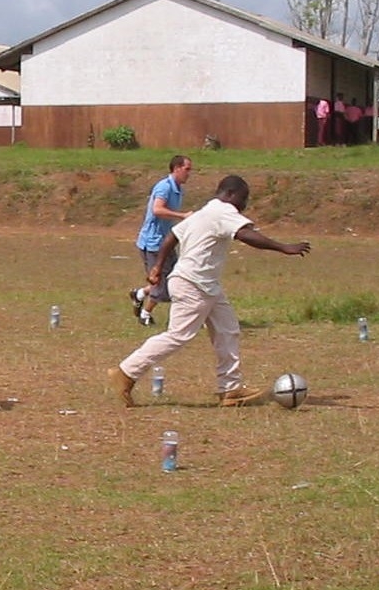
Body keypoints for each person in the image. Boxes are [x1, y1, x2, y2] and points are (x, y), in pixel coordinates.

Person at [108, 174, 312, 408]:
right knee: (177, 336)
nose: (244, 205)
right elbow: (245, 234)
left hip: (206, 285)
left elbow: (172, 236)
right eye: (243, 199)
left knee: (228, 329)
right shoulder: (223, 211)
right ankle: (125, 372)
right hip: (193, 283)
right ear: (230, 194)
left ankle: (231, 389)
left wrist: (157, 266)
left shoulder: (203, 213)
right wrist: (283, 247)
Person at [127, 155, 193, 327]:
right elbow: (157, 210)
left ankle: (140, 294)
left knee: (176, 279)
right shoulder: (164, 187)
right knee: (163, 285)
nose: (189, 173)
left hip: (166, 242)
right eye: (187, 169)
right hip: (153, 243)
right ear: (176, 168)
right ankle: (145, 314)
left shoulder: (178, 189)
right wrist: (182, 216)